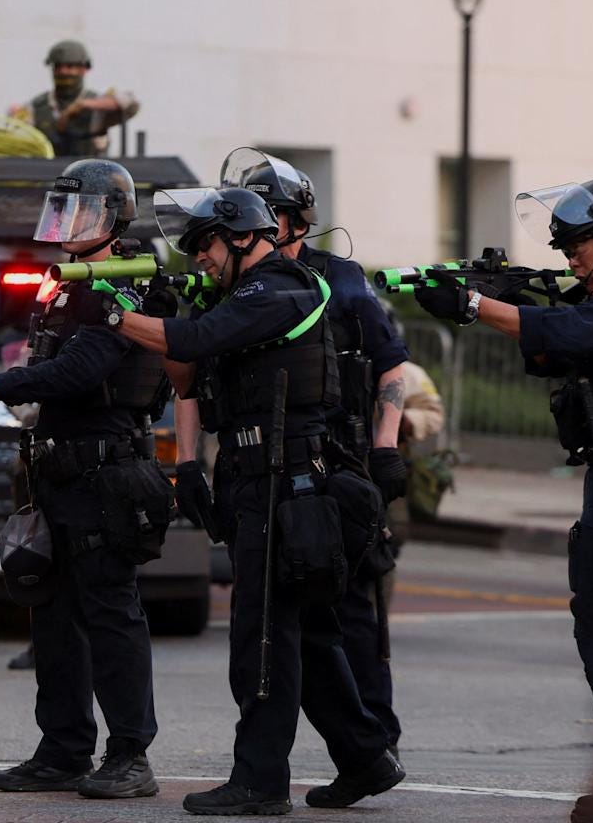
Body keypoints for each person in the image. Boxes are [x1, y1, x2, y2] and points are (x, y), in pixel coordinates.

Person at [73, 185, 403, 815]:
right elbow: (188, 369)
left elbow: (195, 341)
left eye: (206, 246)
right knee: (303, 632)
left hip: (290, 481)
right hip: (259, 476)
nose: (199, 259)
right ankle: (366, 756)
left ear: (245, 237)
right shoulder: (238, 295)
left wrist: (111, 315)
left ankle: (259, 781)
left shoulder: (280, 286)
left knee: (262, 637)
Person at [412, 178, 593, 823]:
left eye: (580, 247)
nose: (571, 259)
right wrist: (499, 295)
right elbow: (559, 342)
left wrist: (472, 308)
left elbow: (586, 327)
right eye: (565, 248)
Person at [0, 159, 169, 801]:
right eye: (62, 209)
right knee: (53, 614)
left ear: (114, 218)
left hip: (104, 467)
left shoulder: (128, 275)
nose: (67, 223)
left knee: (110, 609)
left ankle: (130, 755)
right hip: (56, 466)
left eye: (81, 211)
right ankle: (63, 749)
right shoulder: (66, 278)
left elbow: (81, 370)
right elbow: (47, 368)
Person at [198, 149, 411, 773]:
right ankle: (361, 756)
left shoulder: (339, 278)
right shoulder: (236, 284)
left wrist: (386, 449)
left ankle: (377, 742)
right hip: (273, 461)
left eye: (273, 212)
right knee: (306, 618)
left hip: (338, 456)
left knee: (352, 612)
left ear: (294, 219)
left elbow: (390, 364)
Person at [10, 40, 139, 157]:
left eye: (70, 67)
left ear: (84, 69)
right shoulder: (37, 107)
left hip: (88, 177)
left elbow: (130, 104)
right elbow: (18, 136)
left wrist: (83, 105)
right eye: (58, 67)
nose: (63, 72)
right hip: (48, 178)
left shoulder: (97, 107)